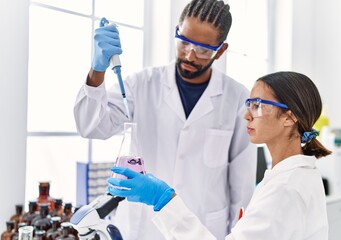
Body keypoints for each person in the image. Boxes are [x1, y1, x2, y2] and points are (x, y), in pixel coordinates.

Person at [74, 0, 257, 239]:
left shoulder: (237, 98)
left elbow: (242, 186)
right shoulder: (141, 84)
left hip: (201, 228)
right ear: (176, 32)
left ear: (220, 50)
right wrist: (97, 70)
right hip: (142, 228)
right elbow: (91, 126)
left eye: (203, 50)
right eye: (184, 42)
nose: (190, 55)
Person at [108, 71, 332, 240]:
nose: (246, 115)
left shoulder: (285, 188)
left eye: (257, 105)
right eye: (248, 105)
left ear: (289, 118)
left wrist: (163, 200)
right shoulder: (293, 175)